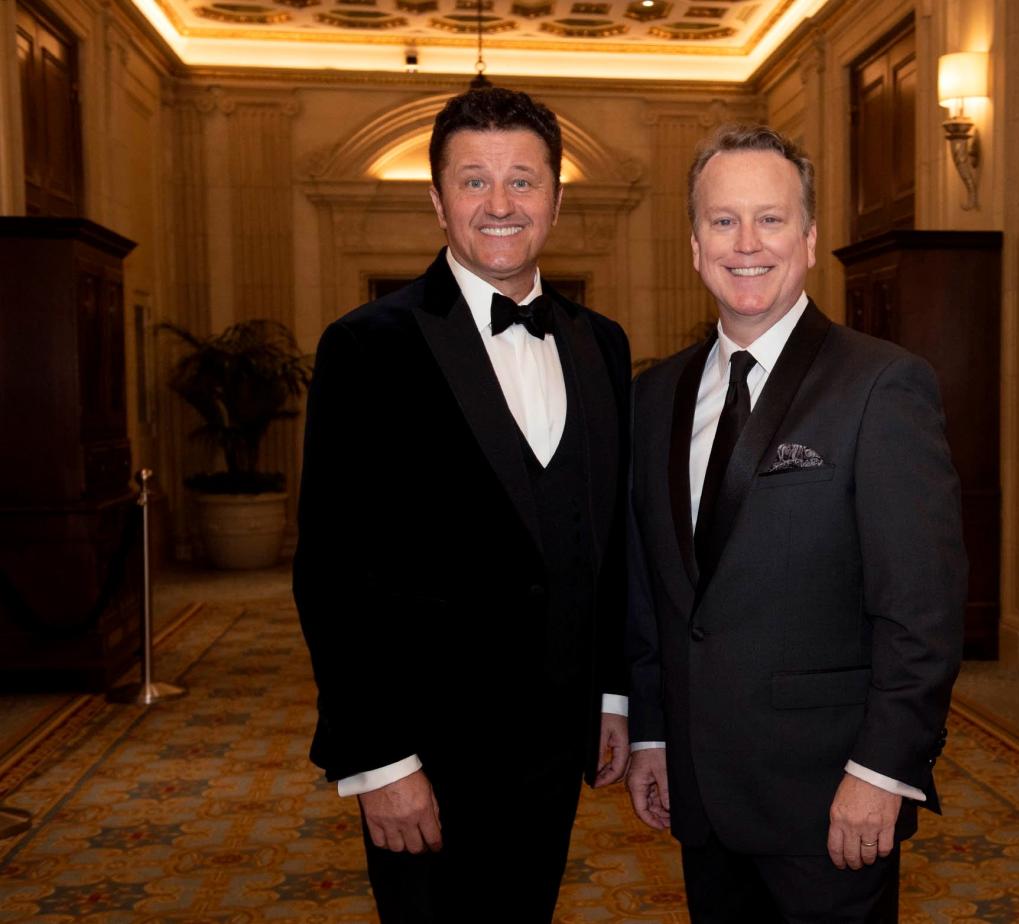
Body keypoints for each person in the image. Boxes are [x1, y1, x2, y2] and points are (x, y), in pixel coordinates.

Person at [293, 87, 631, 924]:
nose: (501, 203)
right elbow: (332, 571)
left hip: (558, 744)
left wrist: (613, 697)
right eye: (474, 181)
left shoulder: (601, 344)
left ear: (555, 196)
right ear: (437, 201)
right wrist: (379, 762)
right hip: (427, 756)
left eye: (523, 180)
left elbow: (608, 537)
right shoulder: (368, 345)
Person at [624, 124, 966, 923]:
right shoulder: (655, 396)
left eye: (770, 219)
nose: (747, 243)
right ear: (694, 244)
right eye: (722, 221)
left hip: (829, 799)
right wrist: (651, 735)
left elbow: (922, 610)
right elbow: (652, 589)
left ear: (809, 239)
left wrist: (881, 773)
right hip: (701, 797)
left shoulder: (882, 386)